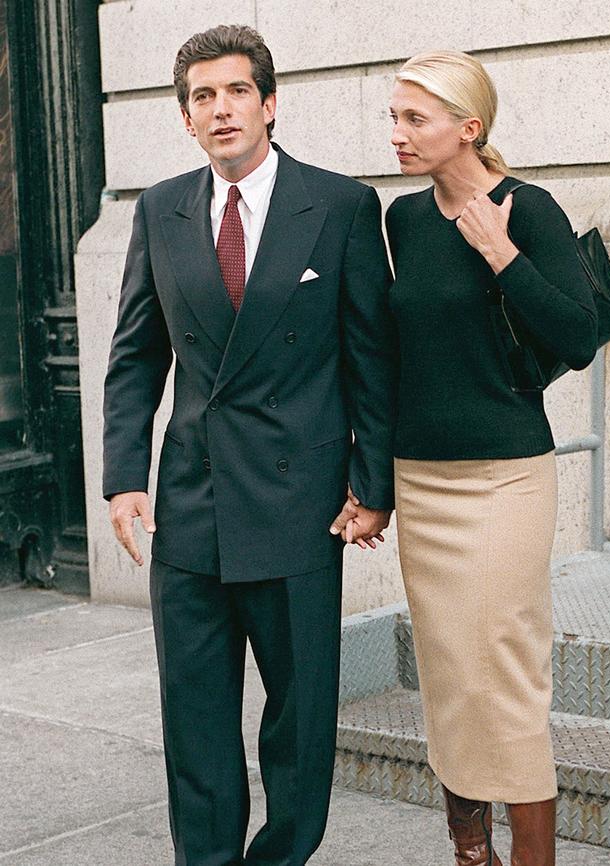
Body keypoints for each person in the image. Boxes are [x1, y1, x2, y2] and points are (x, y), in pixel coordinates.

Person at [102, 24, 396, 866]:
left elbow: (372, 358)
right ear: (186, 119)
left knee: (299, 724)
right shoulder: (160, 209)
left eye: (236, 92)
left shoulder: (338, 204)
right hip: (191, 507)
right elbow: (135, 355)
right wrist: (125, 476)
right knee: (193, 722)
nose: (221, 109)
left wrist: (371, 483)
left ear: (270, 104)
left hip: (300, 508)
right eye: (203, 97)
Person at [370, 50, 596, 865]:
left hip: (505, 480)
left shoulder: (526, 209)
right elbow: (390, 356)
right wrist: (376, 486)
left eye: (414, 119)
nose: (396, 133)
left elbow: (577, 338)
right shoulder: (401, 221)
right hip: (422, 481)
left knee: (505, 675)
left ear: (468, 129)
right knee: (450, 676)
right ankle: (473, 854)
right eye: (393, 116)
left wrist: (503, 254)